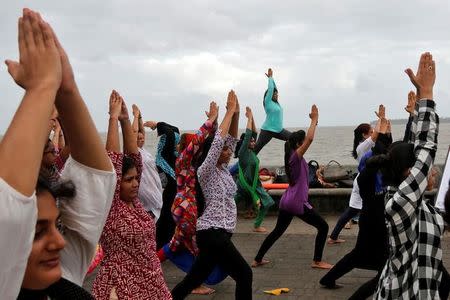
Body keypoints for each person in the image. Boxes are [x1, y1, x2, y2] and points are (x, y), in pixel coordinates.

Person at [1, 9, 116, 299]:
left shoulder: (60, 277)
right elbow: (8, 214)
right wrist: (41, 88)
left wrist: (66, 89)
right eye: (37, 232)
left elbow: (97, 179)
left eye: (56, 226)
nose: (59, 242)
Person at [171, 90, 253, 300]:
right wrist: (227, 114)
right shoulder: (205, 171)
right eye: (224, 150)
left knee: (192, 280)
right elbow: (219, 142)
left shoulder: (224, 170)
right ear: (213, 153)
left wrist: (234, 113)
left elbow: (231, 141)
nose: (228, 152)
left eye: (228, 150)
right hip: (212, 233)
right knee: (245, 274)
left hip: (217, 235)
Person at [375, 52, 444, 299]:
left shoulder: (417, 205)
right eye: (422, 168)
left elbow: (416, 148)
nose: (431, 170)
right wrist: (427, 96)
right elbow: (425, 149)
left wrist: (415, 112)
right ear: (409, 173)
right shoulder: (399, 205)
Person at [92, 91, 171, 299]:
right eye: (128, 180)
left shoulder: (135, 204)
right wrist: (112, 120)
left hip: (150, 280)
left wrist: (126, 120)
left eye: (136, 178)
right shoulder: (112, 205)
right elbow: (112, 162)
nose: (135, 183)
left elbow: (135, 158)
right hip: (123, 285)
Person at [252, 105, 333, 270]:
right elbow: (309, 139)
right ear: (298, 144)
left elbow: (302, 175)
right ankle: (317, 261)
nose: (305, 144)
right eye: (302, 143)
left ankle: (257, 259)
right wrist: (314, 120)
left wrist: (317, 172)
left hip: (287, 200)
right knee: (323, 227)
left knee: (277, 231)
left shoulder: (292, 158)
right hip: (296, 202)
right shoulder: (295, 156)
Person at [320, 117, 392, 298]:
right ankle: (381, 279)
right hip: (371, 219)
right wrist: (381, 128)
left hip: (373, 218)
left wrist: (385, 127)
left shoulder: (373, 175)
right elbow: (378, 148)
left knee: (366, 254)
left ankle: (330, 278)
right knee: (363, 255)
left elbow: (382, 146)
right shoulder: (366, 177)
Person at [328, 106, 385, 243]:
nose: (372, 134)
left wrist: (383, 121)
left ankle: (334, 237)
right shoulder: (363, 146)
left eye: (372, 131)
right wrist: (380, 119)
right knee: (354, 211)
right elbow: (376, 135)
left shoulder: (367, 146)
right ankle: (336, 237)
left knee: (354, 211)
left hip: (366, 180)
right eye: (370, 132)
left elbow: (380, 137)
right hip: (364, 181)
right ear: (364, 135)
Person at [235, 106, 275, 232]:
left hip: (254, 185)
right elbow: (248, 136)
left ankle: (257, 225)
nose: (253, 142)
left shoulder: (252, 152)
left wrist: (252, 117)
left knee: (267, 202)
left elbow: (254, 133)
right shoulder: (243, 153)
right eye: (251, 142)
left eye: (253, 141)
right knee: (229, 204)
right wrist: (248, 119)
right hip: (244, 185)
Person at [144, 119, 180, 249]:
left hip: (171, 194)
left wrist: (157, 125)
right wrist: (158, 125)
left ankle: (163, 244)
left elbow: (171, 133)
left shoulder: (166, 155)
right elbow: (174, 130)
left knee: (167, 219)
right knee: (168, 220)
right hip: (171, 194)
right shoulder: (172, 156)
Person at [131, 104, 163, 220]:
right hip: (144, 196)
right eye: (138, 138)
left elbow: (140, 131)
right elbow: (133, 132)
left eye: (142, 137)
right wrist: (134, 116)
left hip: (153, 188)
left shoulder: (144, 151)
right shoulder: (133, 152)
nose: (141, 139)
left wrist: (139, 117)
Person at [253, 68, 292, 154]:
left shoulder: (276, 104)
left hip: (279, 130)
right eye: (274, 94)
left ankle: (291, 163)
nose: (276, 95)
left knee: (294, 138)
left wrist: (272, 78)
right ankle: (240, 165)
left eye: (277, 93)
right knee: (255, 150)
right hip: (267, 130)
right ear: (269, 95)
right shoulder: (268, 102)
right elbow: (271, 88)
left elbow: (274, 88)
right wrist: (270, 78)